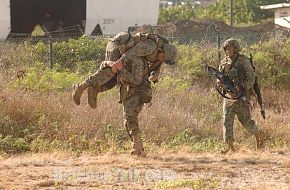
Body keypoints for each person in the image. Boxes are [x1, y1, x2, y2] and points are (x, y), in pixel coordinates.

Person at [72, 31, 177, 156]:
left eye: (163, 60)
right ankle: (83, 86)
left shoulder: (155, 55)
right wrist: (118, 65)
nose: (161, 60)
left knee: (114, 78)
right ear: (162, 51)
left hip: (126, 52)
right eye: (162, 57)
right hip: (117, 46)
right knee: (112, 70)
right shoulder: (149, 47)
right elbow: (131, 53)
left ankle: (94, 88)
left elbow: (155, 66)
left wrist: (155, 74)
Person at [217, 38, 264, 153]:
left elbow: (251, 78)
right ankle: (230, 147)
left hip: (241, 97)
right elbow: (220, 77)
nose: (227, 50)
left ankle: (259, 137)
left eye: (229, 48)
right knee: (226, 121)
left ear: (235, 48)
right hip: (229, 97)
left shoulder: (243, 61)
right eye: (226, 48)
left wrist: (240, 87)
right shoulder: (224, 62)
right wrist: (219, 83)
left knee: (246, 122)